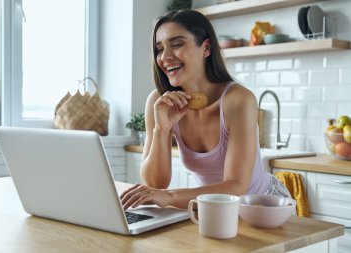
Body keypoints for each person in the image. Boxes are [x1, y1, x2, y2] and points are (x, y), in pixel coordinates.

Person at [120, 9, 291, 210]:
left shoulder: (238, 100)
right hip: (213, 209)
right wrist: (162, 129)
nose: (165, 57)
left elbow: (237, 186)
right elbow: (155, 184)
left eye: (176, 44)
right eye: (159, 49)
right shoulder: (159, 102)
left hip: (262, 206)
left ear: (206, 48)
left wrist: (170, 197)